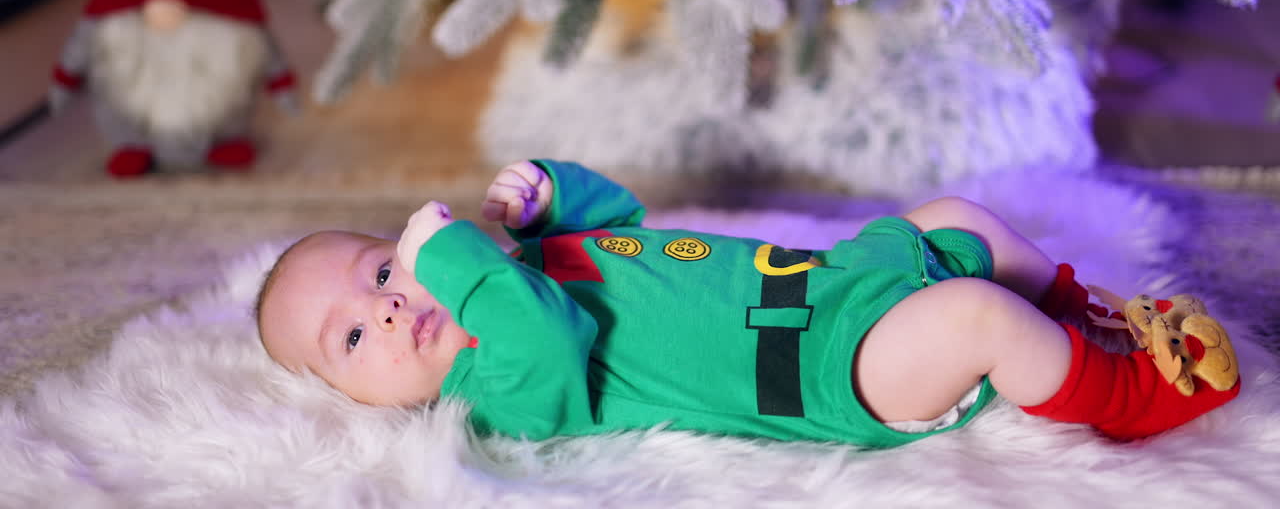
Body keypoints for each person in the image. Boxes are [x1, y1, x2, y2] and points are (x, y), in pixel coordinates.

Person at [256, 159, 1241, 447]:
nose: (385, 308)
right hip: (827, 373)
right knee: (974, 322)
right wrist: (469, 268)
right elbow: (551, 342)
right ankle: (1120, 397)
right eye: (350, 335)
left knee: (956, 220)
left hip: (825, 286)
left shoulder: (518, 268)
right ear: (355, 396)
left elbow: (634, 236)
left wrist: (554, 196)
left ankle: (1080, 316)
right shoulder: (503, 382)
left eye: (382, 272)